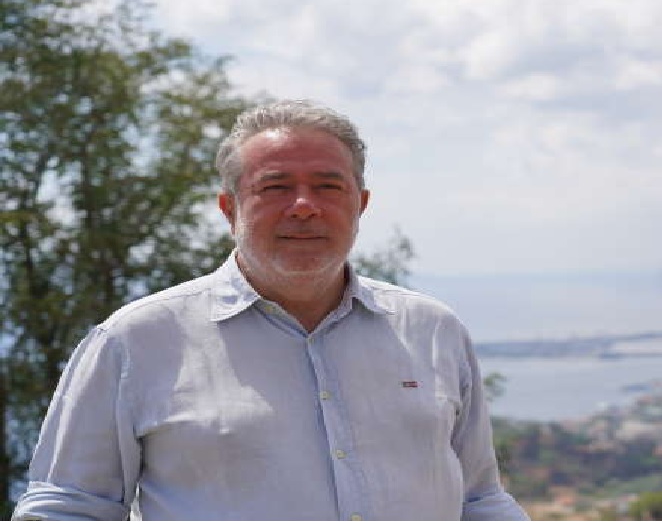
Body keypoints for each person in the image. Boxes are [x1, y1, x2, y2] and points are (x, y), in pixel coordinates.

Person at [13, 100, 529, 521]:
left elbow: (479, 501)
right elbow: (68, 508)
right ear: (229, 208)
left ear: (361, 204)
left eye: (328, 186)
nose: (304, 205)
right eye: (276, 186)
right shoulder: (136, 341)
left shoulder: (433, 330)